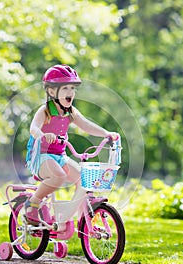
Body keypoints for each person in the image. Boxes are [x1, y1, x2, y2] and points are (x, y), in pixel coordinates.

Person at [25, 64, 119, 224]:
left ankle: (65, 219)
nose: (71, 92)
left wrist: (105, 133)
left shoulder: (71, 112)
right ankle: (33, 203)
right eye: (66, 88)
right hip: (40, 156)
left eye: (72, 88)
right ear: (52, 91)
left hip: (59, 156)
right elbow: (33, 128)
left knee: (84, 181)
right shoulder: (45, 110)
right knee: (58, 176)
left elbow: (86, 124)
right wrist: (42, 134)